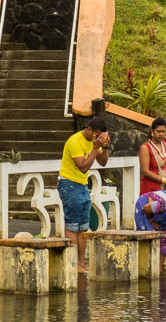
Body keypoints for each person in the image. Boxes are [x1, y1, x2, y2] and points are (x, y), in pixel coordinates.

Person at [57, 116, 109, 273]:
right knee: (73, 225)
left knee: (83, 226)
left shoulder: (95, 142)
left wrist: (104, 147)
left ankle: (81, 263)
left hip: (82, 185)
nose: (97, 138)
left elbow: (103, 162)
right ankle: (73, 264)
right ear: (89, 129)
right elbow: (83, 167)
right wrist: (95, 148)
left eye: (100, 136)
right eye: (96, 135)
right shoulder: (75, 141)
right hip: (69, 184)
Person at [139, 117, 166, 194]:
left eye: (163, 131)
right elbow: (145, 171)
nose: (161, 134)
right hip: (151, 188)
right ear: (152, 131)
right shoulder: (145, 148)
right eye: (158, 131)